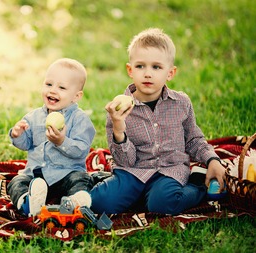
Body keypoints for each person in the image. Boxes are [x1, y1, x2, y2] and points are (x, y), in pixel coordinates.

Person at [90, 28, 226, 215]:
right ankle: (136, 194)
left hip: (169, 170)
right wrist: (118, 129)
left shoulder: (181, 103)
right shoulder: (118, 109)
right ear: (130, 70)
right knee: (98, 202)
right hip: (133, 172)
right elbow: (124, 161)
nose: (147, 73)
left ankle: (197, 185)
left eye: (156, 67)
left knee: (162, 204)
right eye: (140, 66)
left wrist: (212, 160)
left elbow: (194, 139)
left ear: (170, 73)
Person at [7, 58, 95, 217]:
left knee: (81, 179)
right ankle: (28, 203)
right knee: (17, 182)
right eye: (48, 84)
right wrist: (17, 134)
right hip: (36, 176)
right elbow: (26, 144)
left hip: (66, 174)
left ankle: (74, 203)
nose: (53, 90)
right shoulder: (33, 117)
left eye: (61, 87)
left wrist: (61, 142)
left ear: (76, 96)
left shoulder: (79, 120)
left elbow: (81, 150)